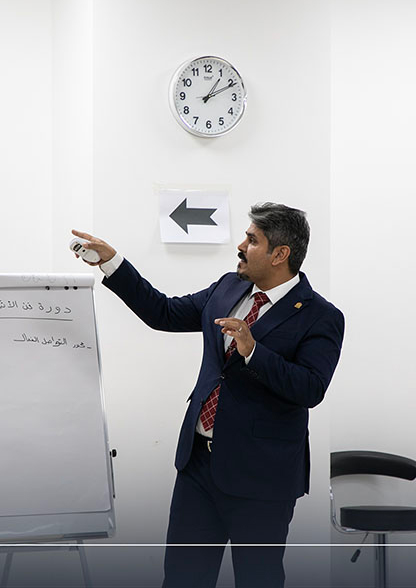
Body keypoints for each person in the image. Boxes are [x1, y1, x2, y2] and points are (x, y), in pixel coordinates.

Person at [72, 202, 344, 588]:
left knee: (258, 580)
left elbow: (310, 388)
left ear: (280, 254)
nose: (241, 246)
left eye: (252, 240)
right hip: (198, 468)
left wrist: (253, 351)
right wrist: (112, 262)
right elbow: (164, 313)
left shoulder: (320, 316)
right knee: (182, 578)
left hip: (262, 478)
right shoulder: (228, 287)